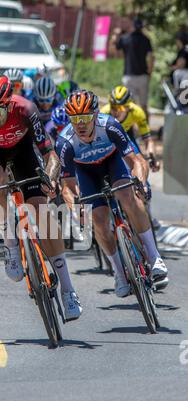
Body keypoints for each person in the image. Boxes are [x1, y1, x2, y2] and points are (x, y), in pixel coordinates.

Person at [0, 74, 82, 320]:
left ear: (8, 104)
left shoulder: (25, 109)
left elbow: (50, 155)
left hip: (23, 149)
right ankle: (10, 242)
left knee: (42, 214)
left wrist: (50, 178)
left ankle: (68, 289)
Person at [56, 90, 168, 298]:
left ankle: (154, 257)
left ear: (95, 115)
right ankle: (118, 272)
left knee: (128, 197)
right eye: (74, 119)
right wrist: (76, 210)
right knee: (98, 220)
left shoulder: (110, 126)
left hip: (113, 162)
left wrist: (141, 183)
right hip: (86, 172)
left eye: (85, 117)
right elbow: (68, 188)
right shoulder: (65, 142)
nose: (80, 124)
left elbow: (136, 161)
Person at [101, 85, 160, 171]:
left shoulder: (137, 112)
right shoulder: (104, 113)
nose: (116, 111)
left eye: (120, 107)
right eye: (113, 107)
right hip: (109, 137)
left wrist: (152, 157)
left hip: (127, 133)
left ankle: (144, 184)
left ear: (128, 107)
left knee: (140, 163)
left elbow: (147, 139)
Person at [113, 17, 154, 115]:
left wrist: (115, 36)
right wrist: (150, 72)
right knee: (144, 105)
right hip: (143, 75)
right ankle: (146, 128)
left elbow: (116, 52)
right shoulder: (146, 39)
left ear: (133, 26)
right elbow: (151, 57)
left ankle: (131, 129)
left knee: (130, 105)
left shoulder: (126, 38)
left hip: (129, 76)